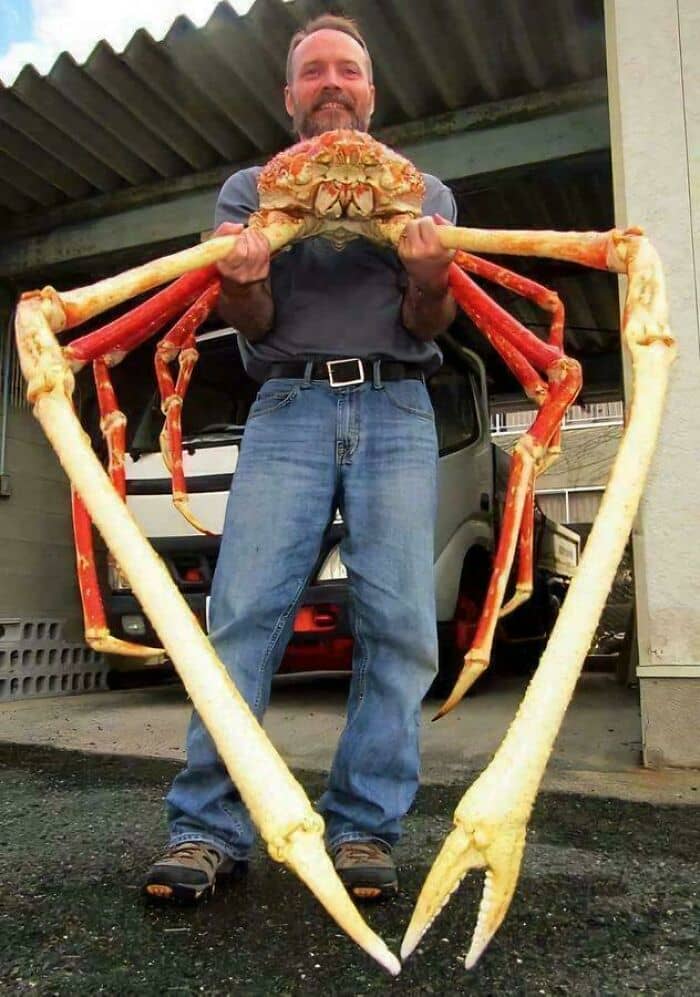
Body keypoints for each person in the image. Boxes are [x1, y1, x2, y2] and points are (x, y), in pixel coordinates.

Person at [144, 14, 457, 904]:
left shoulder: (423, 191)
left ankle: (364, 826)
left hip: (398, 403)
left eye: (346, 69)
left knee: (401, 627)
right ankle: (207, 826)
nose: (331, 83)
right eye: (313, 71)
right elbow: (251, 323)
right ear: (290, 96)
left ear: (371, 92)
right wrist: (239, 280)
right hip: (287, 405)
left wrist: (432, 275)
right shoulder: (251, 190)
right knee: (242, 616)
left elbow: (431, 321)